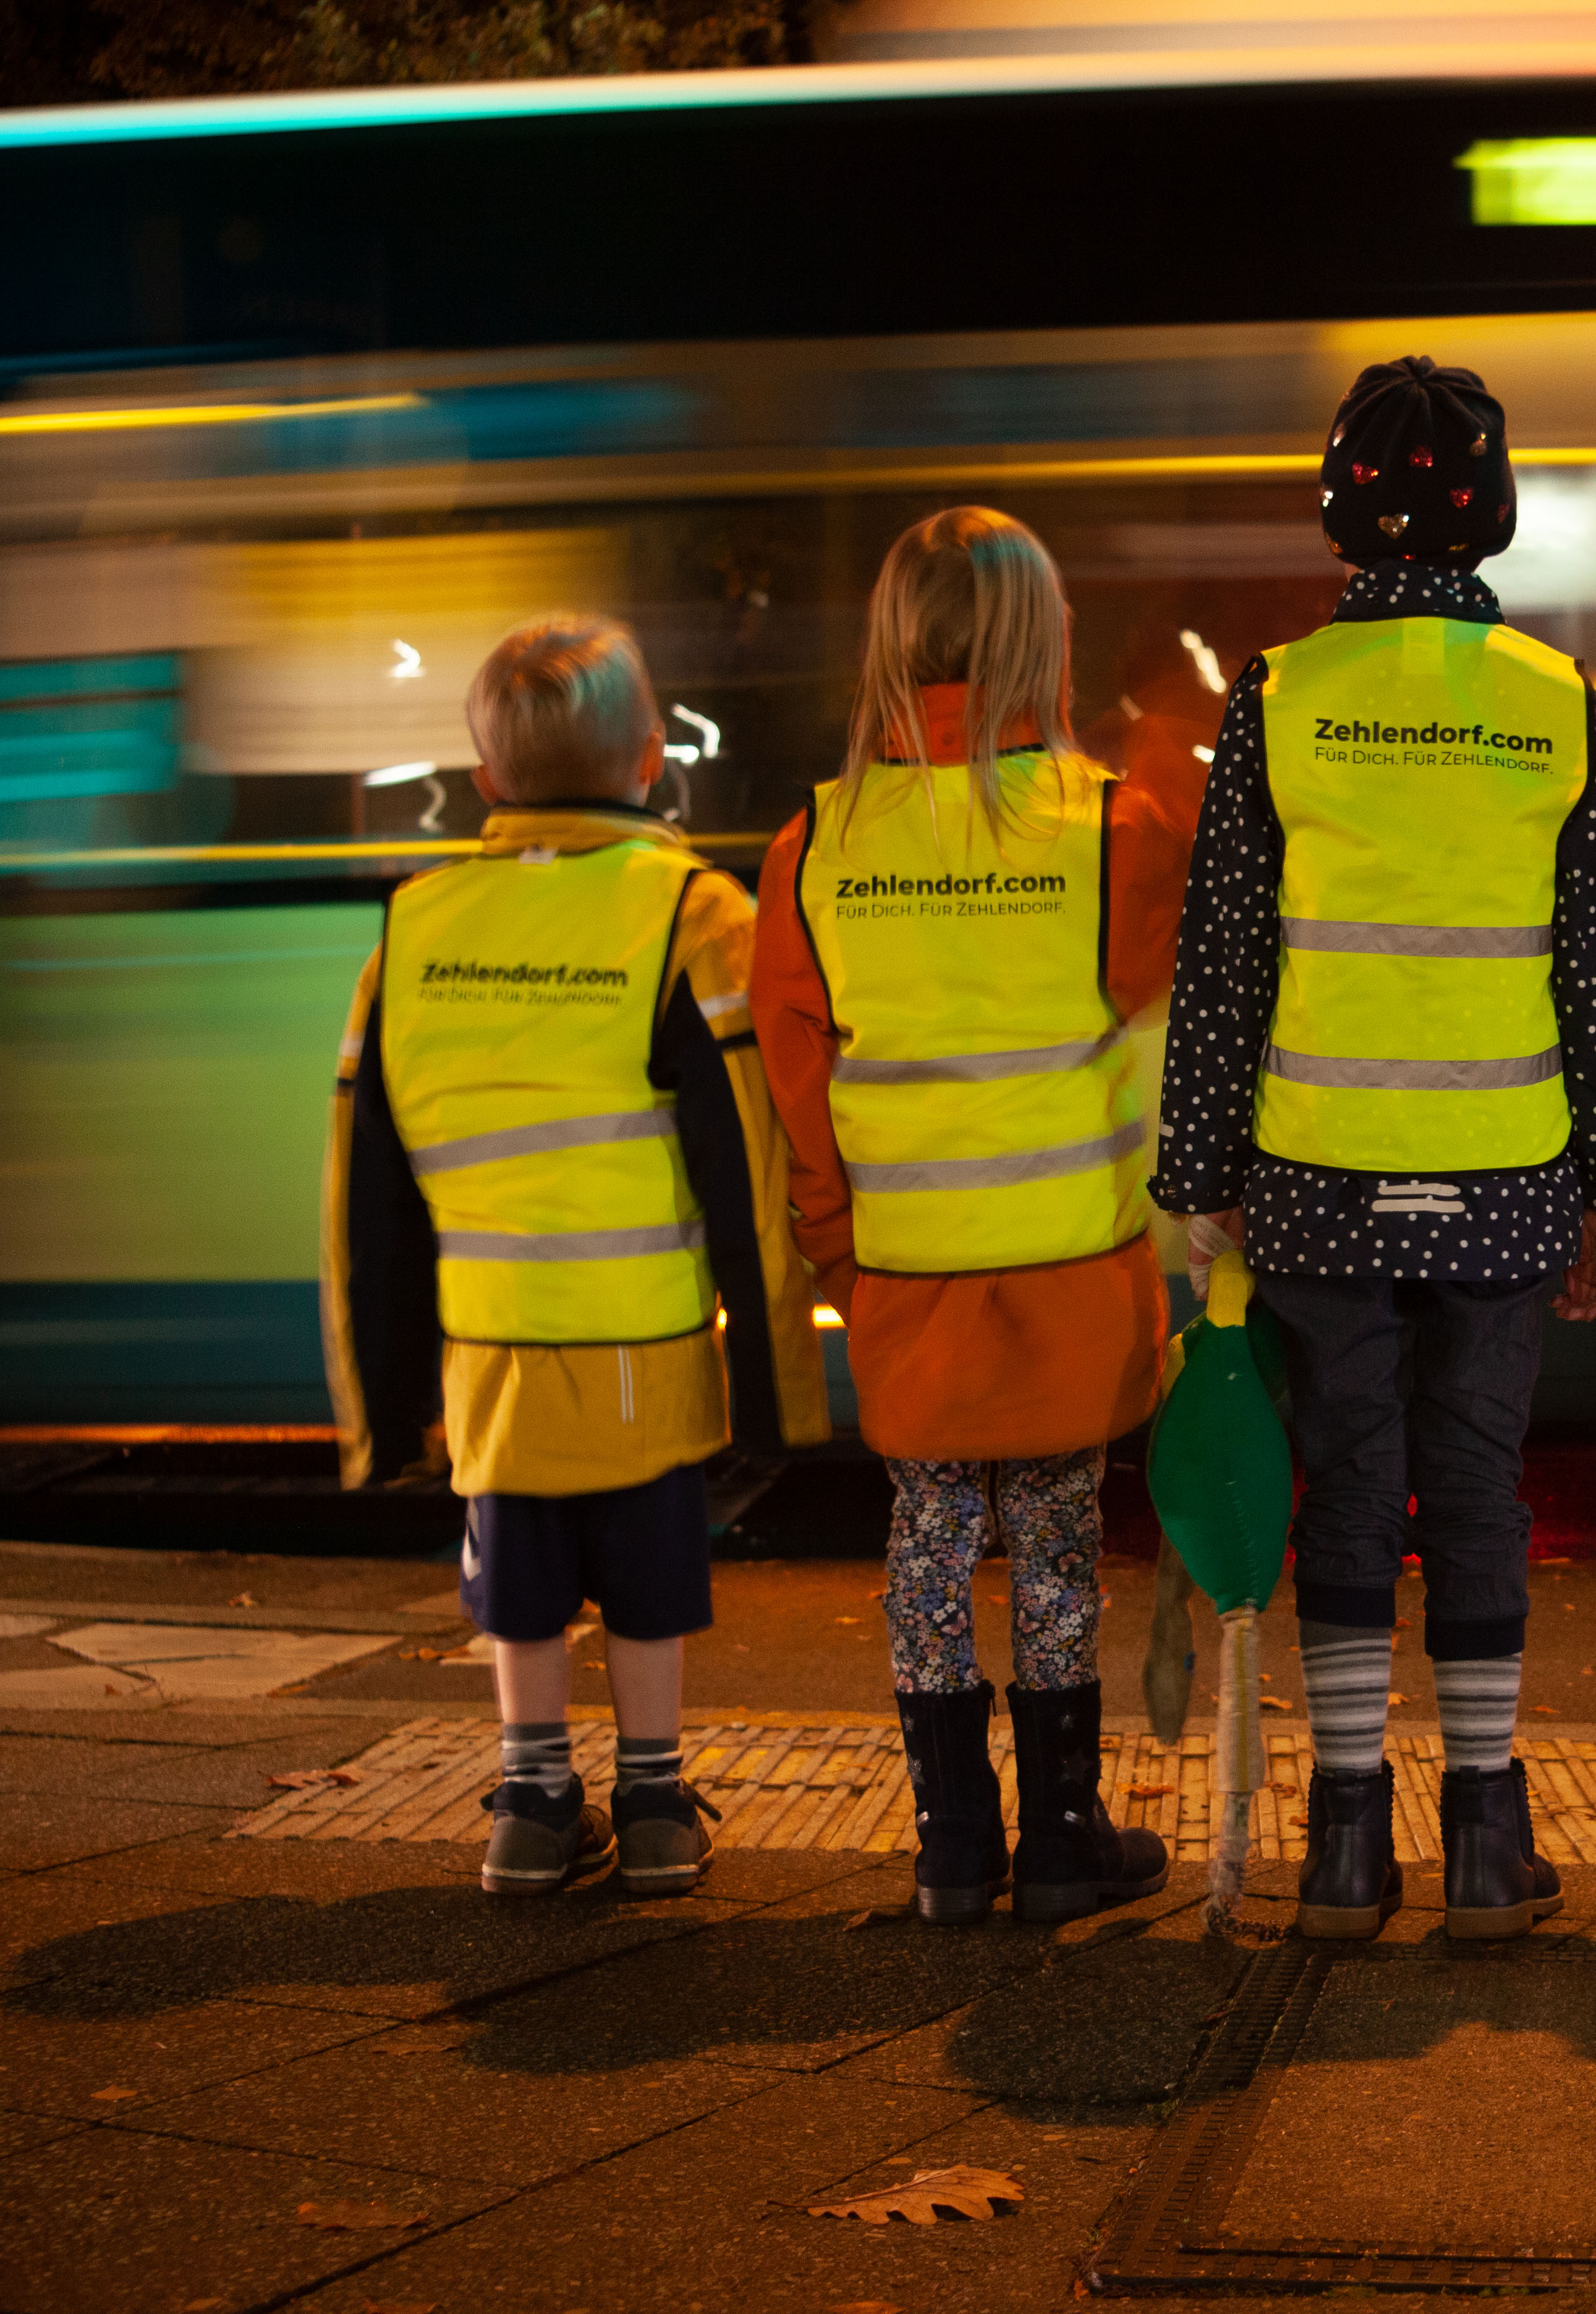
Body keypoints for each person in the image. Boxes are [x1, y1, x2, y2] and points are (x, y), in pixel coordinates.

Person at [1151, 355, 1596, 1942]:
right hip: (1506, 1169)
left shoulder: (1282, 697)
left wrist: (1197, 1177)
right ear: (1494, 512)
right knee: (1480, 1489)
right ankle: (1491, 1839)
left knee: (1353, 1486)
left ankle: (1348, 1846)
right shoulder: (1553, 701)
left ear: (1338, 514)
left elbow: (1227, 953)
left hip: (1319, 1177)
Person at [323, 612, 830, 1900]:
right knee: (652, 1581)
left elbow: (365, 1190)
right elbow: (742, 1171)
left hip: (489, 1346)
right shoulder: (686, 914)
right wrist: (776, 1390)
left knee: (519, 1585)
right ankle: (656, 1804)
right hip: (644, 1345)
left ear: (487, 779)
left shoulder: (417, 927)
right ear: (654, 759)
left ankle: (532, 1806)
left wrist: (380, 1410)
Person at [751, 508, 1189, 1925]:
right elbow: (1162, 1052)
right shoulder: (1111, 825)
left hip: (908, 1274)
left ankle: (951, 1846)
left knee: (931, 1546)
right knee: (1058, 1545)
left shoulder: (813, 844)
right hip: (1073, 1270)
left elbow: (799, 1087)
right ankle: (1064, 1835)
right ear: (1044, 644)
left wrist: (840, 1254)